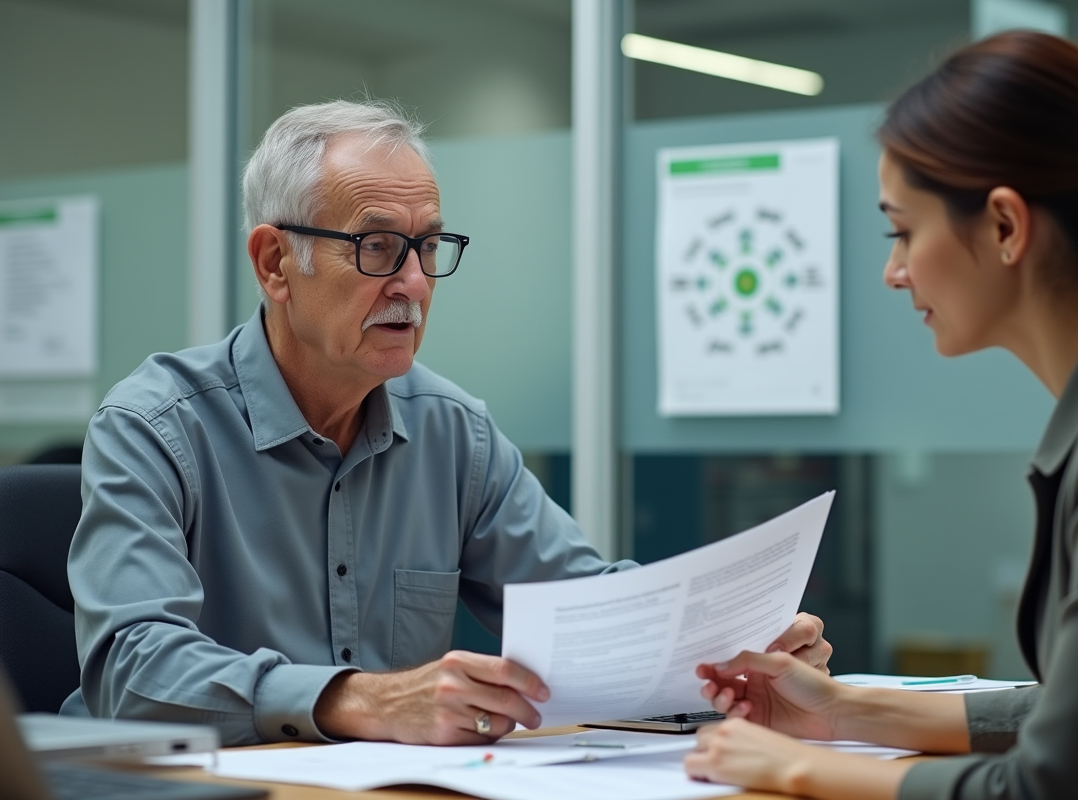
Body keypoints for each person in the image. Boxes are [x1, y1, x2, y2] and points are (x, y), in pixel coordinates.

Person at [64, 100, 833, 747]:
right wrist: (356, 699)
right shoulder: (154, 428)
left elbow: (591, 614)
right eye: (377, 248)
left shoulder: (453, 432)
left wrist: (731, 654)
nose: (413, 285)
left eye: (428, 247)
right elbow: (131, 669)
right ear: (274, 264)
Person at [683, 30, 1078, 800]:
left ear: (1003, 226)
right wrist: (844, 711)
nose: (893, 272)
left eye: (903, 230)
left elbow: (1051, 782)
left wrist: (797, 768)